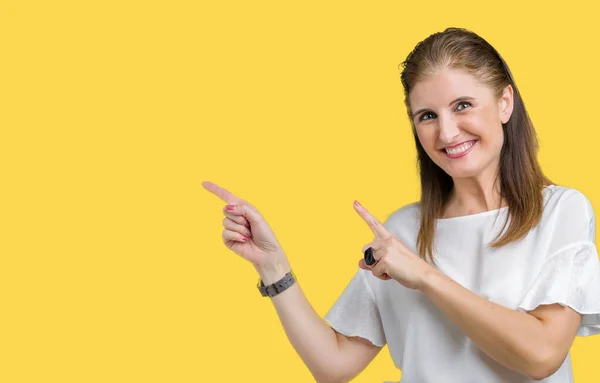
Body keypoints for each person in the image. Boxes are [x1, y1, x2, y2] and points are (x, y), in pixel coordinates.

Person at [202, 27, 600, 383]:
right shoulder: (402, 231)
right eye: (427, 115)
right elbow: (334, 364)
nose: (446, 132)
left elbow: (542, 356)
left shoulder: (560, 212)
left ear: (505, 103)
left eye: (463, 105)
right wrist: (273, 267)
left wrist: (424, 276)